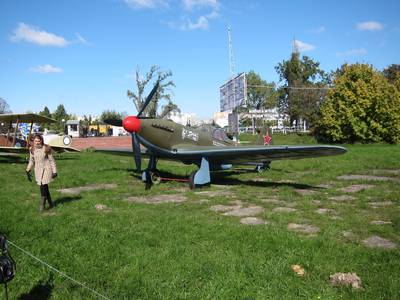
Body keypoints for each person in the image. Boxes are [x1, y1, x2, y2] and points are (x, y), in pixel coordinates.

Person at [26, 134, 57, 212]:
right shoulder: (32, 149)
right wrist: (28, 169)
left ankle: (42, 206)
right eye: (35, 141)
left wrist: (54, 171)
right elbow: (31, 161)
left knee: (43, 186)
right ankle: (51, 204)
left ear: (41, 141)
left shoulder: (46, 148)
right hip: (38, 170)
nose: (37, 142)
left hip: (47, 169)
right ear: (33, 141)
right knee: (45, 187)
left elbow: (51, 161)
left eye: (38, 141)